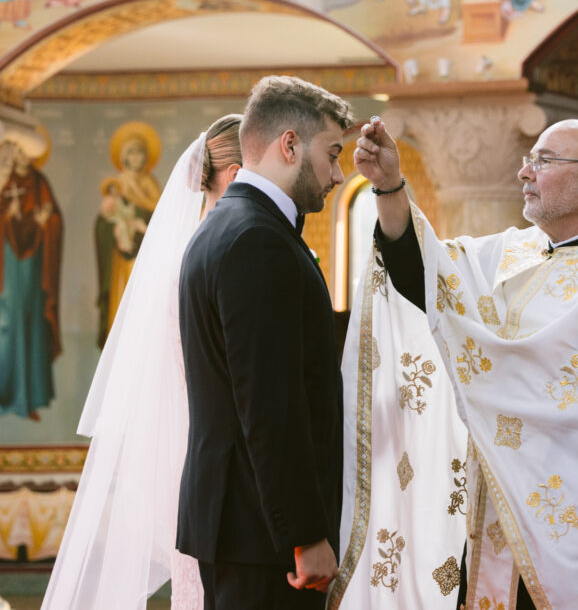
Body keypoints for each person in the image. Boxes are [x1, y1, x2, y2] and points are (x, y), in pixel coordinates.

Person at [336, 117, 578, 608]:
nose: (524, 172)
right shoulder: (513, 252)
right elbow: (426, 277)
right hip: (499, 513)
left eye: (544, 161)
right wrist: (389, 187)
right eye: (529, 159)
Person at [42, 114, 243, 609]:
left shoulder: (188, 249)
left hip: (184, 447)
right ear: (235, 173)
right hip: (208, 450)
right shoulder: (213, 254)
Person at [177, 75, 350, 609]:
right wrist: (305, 534)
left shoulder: (230, 226)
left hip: (245, 524)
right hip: (263, 535)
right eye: (333, 154)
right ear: (290, 144)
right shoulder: (257, 240)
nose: (339, 175)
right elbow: (269, 405)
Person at [0, 122, 62, 421]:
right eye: (18, 152)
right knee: (8, 324)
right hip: (9, 263)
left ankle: (30, 398)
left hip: (34, 266)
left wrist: (44, 220)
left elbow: (54, 220)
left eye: (27, 153)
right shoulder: (3, 179)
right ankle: (8, 397)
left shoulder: (40, 182)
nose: (22, 158)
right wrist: (6, 218)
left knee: (32, 324)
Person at [95, 122, 163, 347]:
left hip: (146, 258)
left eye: (140, 152)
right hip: (121, 262)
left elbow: (162, 218)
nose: (136, 157)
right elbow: (102, 225)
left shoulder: (152, 185)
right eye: (132, 152)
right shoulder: (119, 185)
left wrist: (142, 224)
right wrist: (114, 227)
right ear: (124, 156)